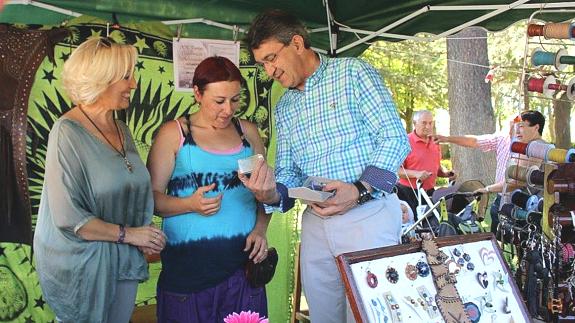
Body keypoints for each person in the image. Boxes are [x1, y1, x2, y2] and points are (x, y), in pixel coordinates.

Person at [243, 9, 410, 323]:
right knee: (324, 317)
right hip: (316, 226)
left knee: (371, 316)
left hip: (368, 216)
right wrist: (271, 194)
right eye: (263, 64)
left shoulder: (352, 73)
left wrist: (359, 189)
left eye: (271, 58)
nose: (269, 71)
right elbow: (289, 173)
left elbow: (394, 138)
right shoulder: (285, 106)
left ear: (296, 43)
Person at [33, 37, 166, 323]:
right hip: (83, 270)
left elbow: (129, 190)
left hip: (122, 261)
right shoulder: (66, 132)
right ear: (101, 79)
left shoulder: (122, 129)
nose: (134, 85)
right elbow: (70, 217)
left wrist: (145, 235)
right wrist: (130, 234)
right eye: (126, 77)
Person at [147, 56, 271, 322]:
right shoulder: (175, 134)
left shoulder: (246, 133)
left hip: (243, 271)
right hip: (189, 273)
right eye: (219, 101)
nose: (228, 109)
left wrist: (261, 229)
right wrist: (189, 205)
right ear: (197, 93)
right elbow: (151, 199)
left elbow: (265, 193)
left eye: (235, 99)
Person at [431, 110, 546, 233]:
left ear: (536, 128)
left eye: (521, 125)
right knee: (498, 242)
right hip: (502, 200)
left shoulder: (536, 147)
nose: (515, 129)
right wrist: (447, 138)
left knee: (524, 244)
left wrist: (487, 189)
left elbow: (516, 182)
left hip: (525, 203)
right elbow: (475, 141)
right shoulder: (503, 139)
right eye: (513, 124)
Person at [396, 110, 455, 218]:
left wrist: (446, 174)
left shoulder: (435, 142)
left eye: (430, 123)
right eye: (424, 123)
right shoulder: (404, 142)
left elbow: (435, 167)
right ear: (414, 123)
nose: (428, 126)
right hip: (408, 192)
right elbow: (396, 170)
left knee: (430, 227)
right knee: (413, 227)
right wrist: (416, 174)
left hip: (429, 193)